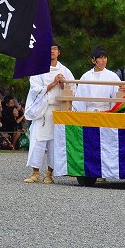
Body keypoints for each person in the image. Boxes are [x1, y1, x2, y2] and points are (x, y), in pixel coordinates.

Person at [24, 44, 74, 184]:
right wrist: (53, 83)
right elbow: (34, 89)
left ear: (59, 52)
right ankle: (35, 172)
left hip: (57, 111)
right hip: (43, 110)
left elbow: (73, 89)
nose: (52, 51)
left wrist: (63, 84)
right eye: (50, 48)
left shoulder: (65, 70)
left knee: (54, 144)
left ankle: (49, 174)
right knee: (37, 141)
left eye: (55, 49)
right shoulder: (38, 69)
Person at [73, 45, 125, 112]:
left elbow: (116, 97)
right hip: (89, 112)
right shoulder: (85, 76)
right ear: (93, 60)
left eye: (105, 57)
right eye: (100, 58)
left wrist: (122, 90)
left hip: (106, 111)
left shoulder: (112, 76)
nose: (103, 60)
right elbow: (80, 99)